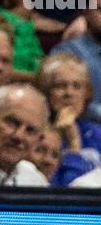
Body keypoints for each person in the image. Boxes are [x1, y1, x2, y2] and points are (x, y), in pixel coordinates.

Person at [37, 51, 101, 187]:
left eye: (77, 86)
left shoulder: (96, 133)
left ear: (87, 93)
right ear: (45, 91)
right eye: (60, 86)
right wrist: (73, 144)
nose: (69, 93)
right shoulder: (36, 134)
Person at [0, 83, 50, 185]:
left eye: (30, 130)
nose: (18, 136)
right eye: (12, 122)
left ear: (39, 140)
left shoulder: (35, 182)